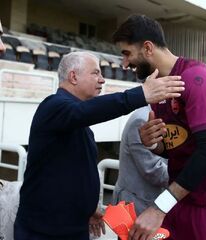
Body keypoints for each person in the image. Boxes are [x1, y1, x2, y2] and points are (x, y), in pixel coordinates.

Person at [14, 51, 184, 240]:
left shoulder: (74, 118)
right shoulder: (54, 106)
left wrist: (88, 207)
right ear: (73, 76)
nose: (102, 80)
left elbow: (73, 169)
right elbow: (86, 111)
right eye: (95, 73)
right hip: (45, 231)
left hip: (72, 226)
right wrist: (140, 94)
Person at [113, 14, 206, 240]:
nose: (124, 63)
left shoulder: (194, 77)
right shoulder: (158, 89)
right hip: (180, 200)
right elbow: (176, 147)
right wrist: (153, 144)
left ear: (148, 48)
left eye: (127, 53)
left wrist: (159, 207)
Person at [112, 105, 169, 215]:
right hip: (137, 205)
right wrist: (187, 180)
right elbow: (153, 170)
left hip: (147, 204)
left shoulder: (155, 115)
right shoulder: (143, 119)